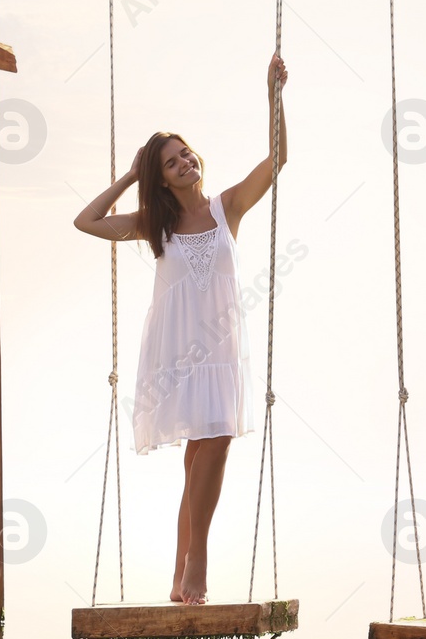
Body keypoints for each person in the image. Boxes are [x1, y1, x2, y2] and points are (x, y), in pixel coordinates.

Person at [73, 53, 289, 604]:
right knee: (207, 448)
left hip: (221, 351)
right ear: (161, 179)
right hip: (176, 355)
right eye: (170, 163)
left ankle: (181, 573)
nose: (185, 162)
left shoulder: (227, 209)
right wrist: (130, 172)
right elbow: (87, 221)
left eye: (185, 153)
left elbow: (278, 158)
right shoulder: (155, 223)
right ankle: (195, 565)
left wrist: (273, 94)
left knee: (206, 450)